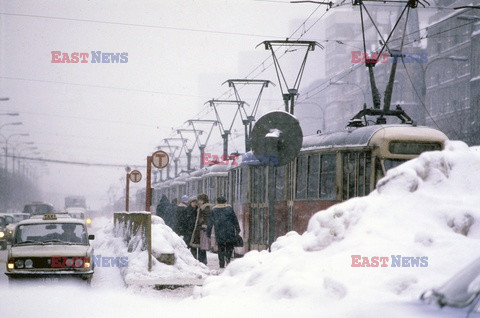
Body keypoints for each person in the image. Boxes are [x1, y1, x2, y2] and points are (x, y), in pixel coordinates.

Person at [207, 196, 240, 268]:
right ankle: (228, 260)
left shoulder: (214, 210)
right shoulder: (229, 209)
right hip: (229, 231)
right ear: (225, 202)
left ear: (217, 202)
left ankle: (221, 263)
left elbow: (210, 223)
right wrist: (237, 229)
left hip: (219, 232)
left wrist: (208, 233)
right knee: (229, 246)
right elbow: (235, 220)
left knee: (221, 247)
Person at [190, 193, 211, 265]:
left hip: (202, 229)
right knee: (201, 245)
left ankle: (202, 260)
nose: (199, 201)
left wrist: (204, 226)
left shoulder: (205, 208)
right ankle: (201, 260)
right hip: (200, 229)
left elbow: (206, 218)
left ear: (203, 200)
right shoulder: (202, 207)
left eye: (200, 200)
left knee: (202, 245)